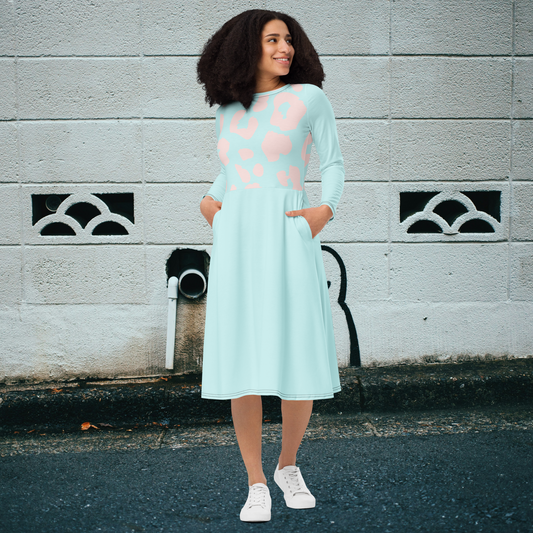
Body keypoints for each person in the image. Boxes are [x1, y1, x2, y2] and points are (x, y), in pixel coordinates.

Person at [197, 9, 345, 523]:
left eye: (290, 40)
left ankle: (288, 466)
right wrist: (210, 201)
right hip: (237, 239)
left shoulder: (308, 99)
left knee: (296, 351)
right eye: (274, 40)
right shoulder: (228, 110)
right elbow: (232, 167)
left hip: (287, 233)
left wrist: (322, 213)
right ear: (246, 48)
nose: (286, 49)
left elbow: (333, 162)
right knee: (244, 360)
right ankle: (255, 482)